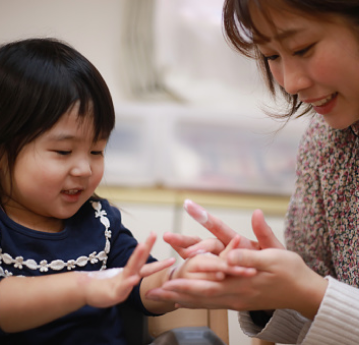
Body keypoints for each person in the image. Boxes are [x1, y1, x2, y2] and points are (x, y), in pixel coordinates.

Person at [0, 38, 245, 345]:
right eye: (63, 151)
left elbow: (138, 279)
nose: (84, 169)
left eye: (96, 151)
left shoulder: (100, 222)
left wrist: (178, 277)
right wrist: (84, 286)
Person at [146, 0, 359, 344]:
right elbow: (322, 318)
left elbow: (318, 297)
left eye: (302, 49)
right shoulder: (325, 143)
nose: (290, 83)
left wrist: (310, 293)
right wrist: (270, 290)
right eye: (271, 56)